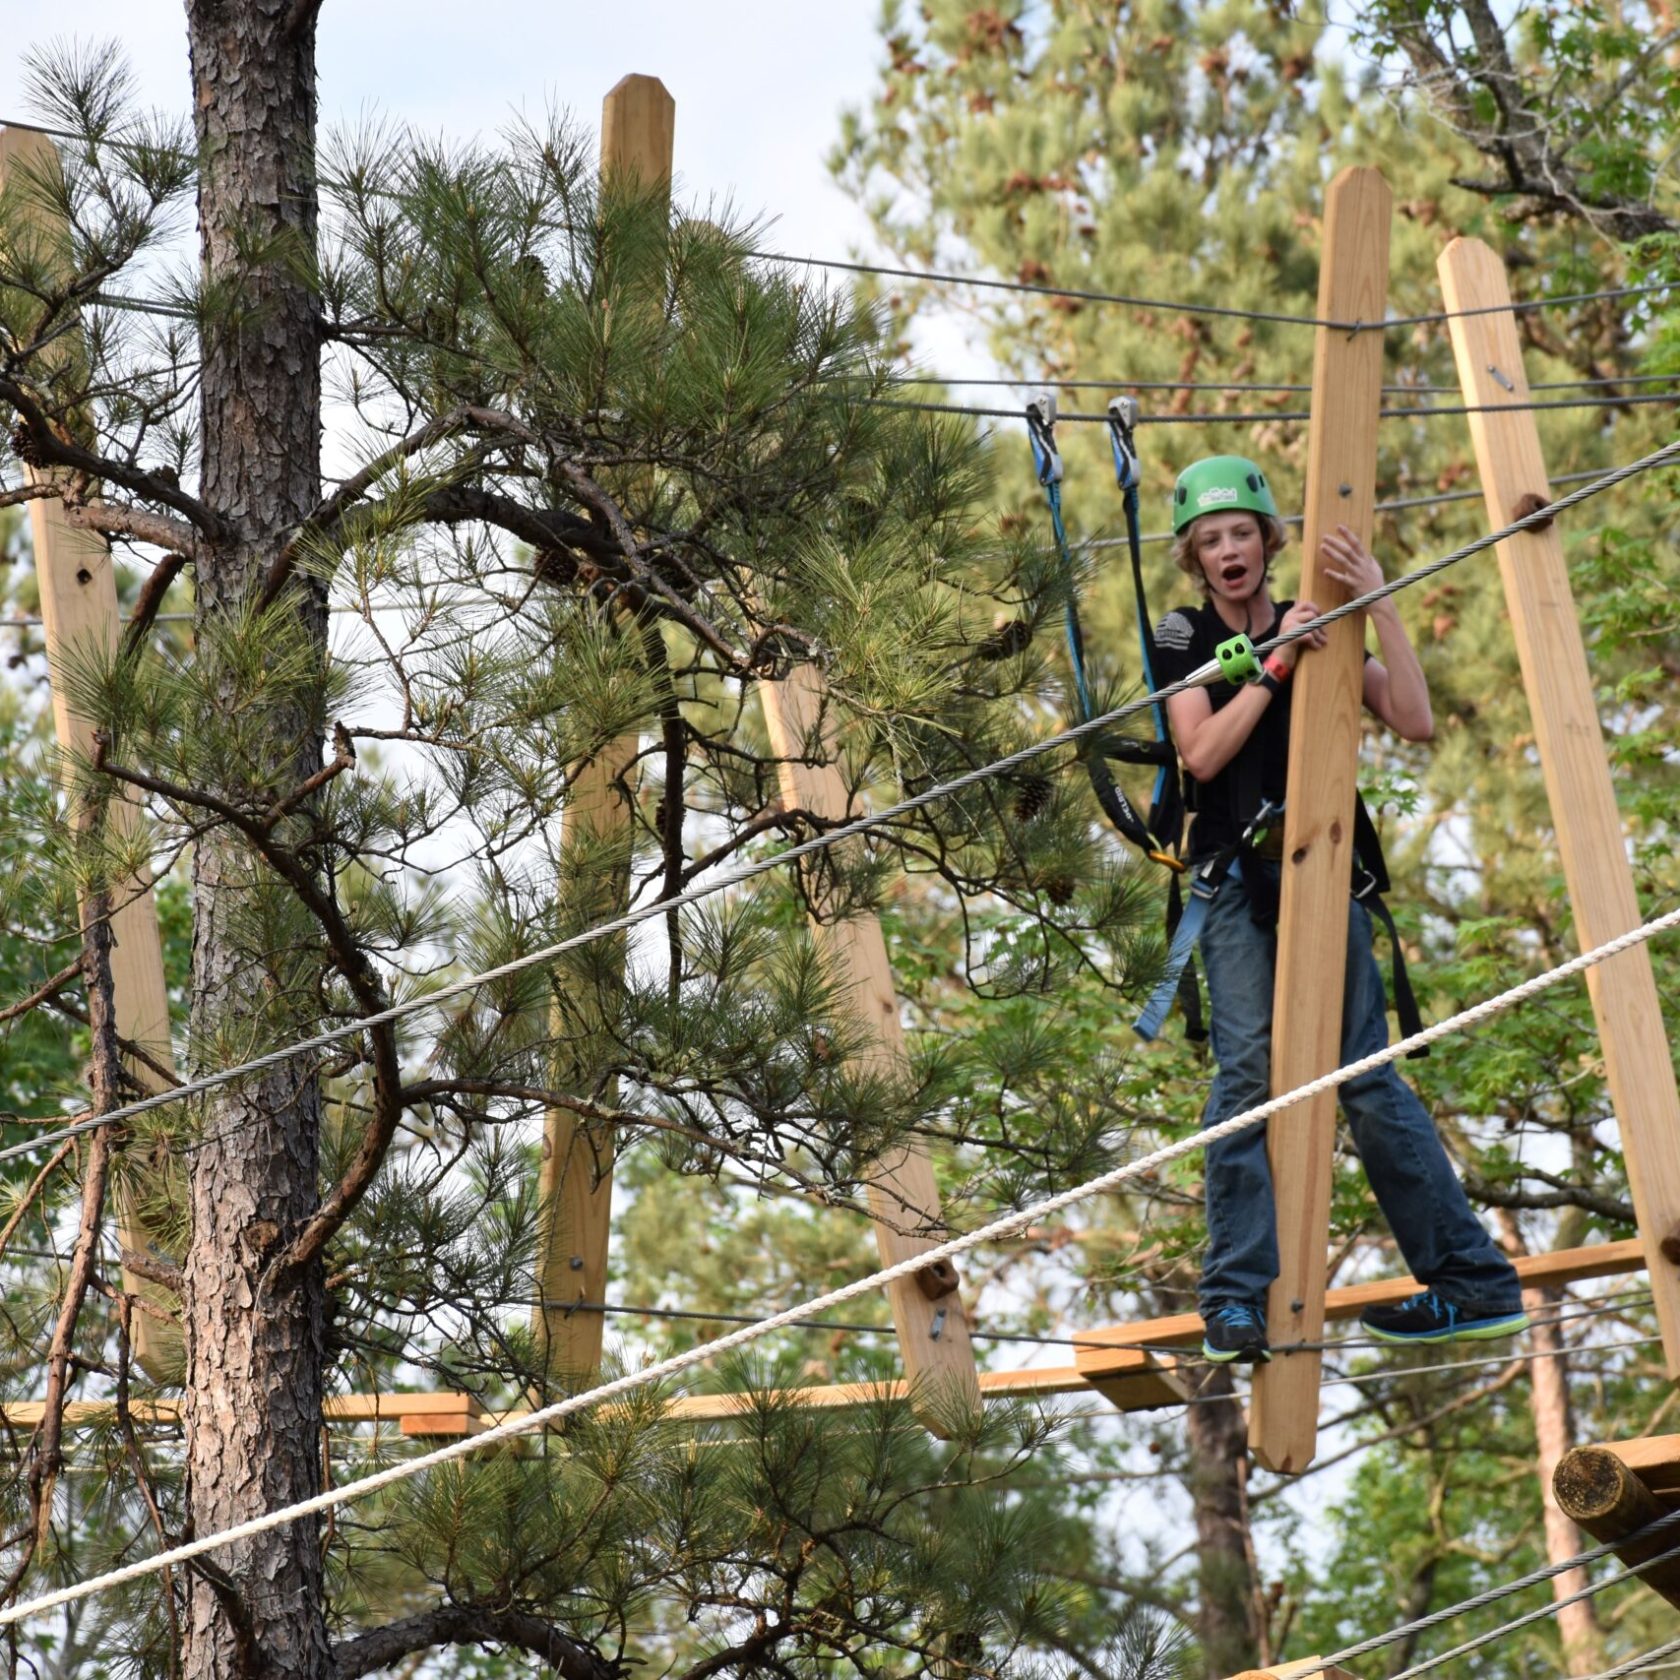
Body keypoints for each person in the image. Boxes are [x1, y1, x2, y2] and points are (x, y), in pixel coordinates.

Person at [1150, 455, 1528, 1365]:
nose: (1229, 549)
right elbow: (1200, 752)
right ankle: (1235, 1301)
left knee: (1363, 1074)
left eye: (1241, 532)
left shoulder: (1313, 618)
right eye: (1211, 540)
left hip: (1324, 874)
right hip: (1236, 884)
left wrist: (1378, 606)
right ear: (1195, 559)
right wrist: (1276, 663)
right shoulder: (1182, 633)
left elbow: (1414, 716)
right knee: (1247, 1077)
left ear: (1267, 541)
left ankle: (1473, 1281)